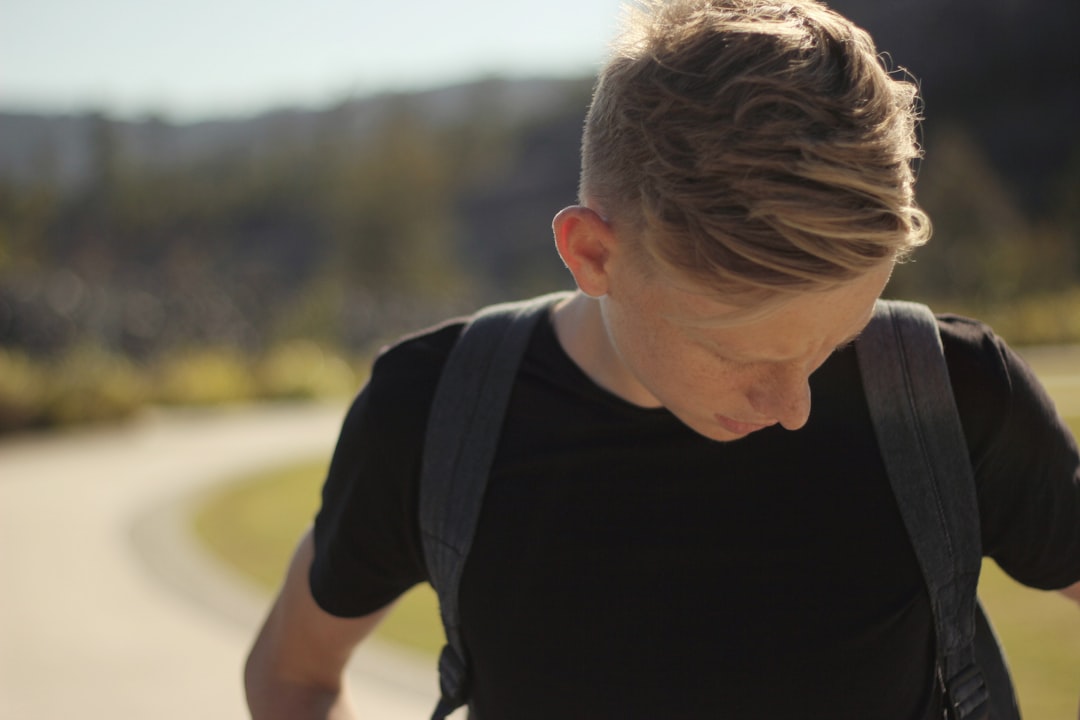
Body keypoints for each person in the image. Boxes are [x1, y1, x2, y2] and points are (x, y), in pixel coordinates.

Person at [244, 0, 1080, 717]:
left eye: (833, 342)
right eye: (734, 351)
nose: (793, 404)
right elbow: (293, 673)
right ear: (592, 254)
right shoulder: (434, 415)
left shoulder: (952, 394)